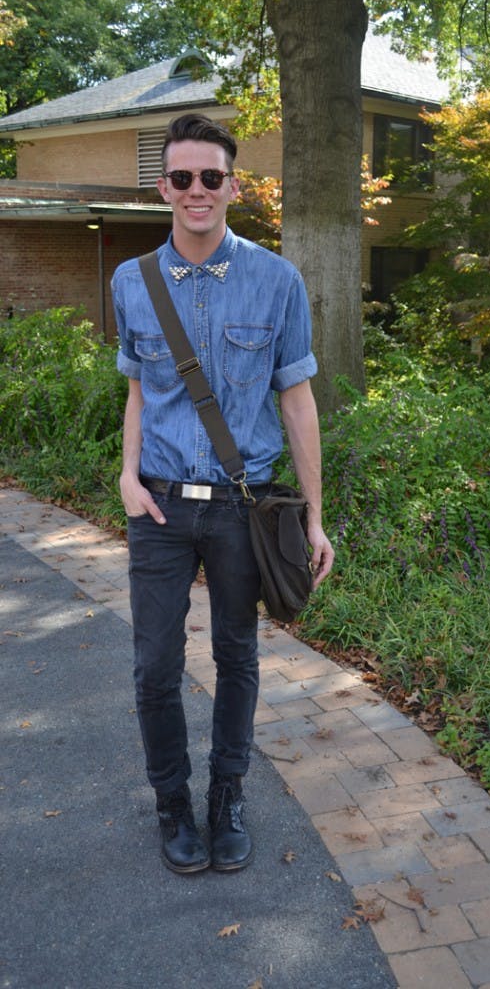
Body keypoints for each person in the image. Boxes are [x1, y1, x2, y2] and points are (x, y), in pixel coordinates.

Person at [111, 112, 334, 875]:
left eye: (212, 177)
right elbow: (139, 392)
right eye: (182, 178)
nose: (197, 191)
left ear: (233, 185)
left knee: (237, 656)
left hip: (246, 506)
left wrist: (313, 516)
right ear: (164, 186)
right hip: (162, 506)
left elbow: (298, 402)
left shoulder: (278, 280)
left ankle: (226, 795)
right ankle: (172, 804)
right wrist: (125, 475)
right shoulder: (130, 281)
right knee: (153, 666)